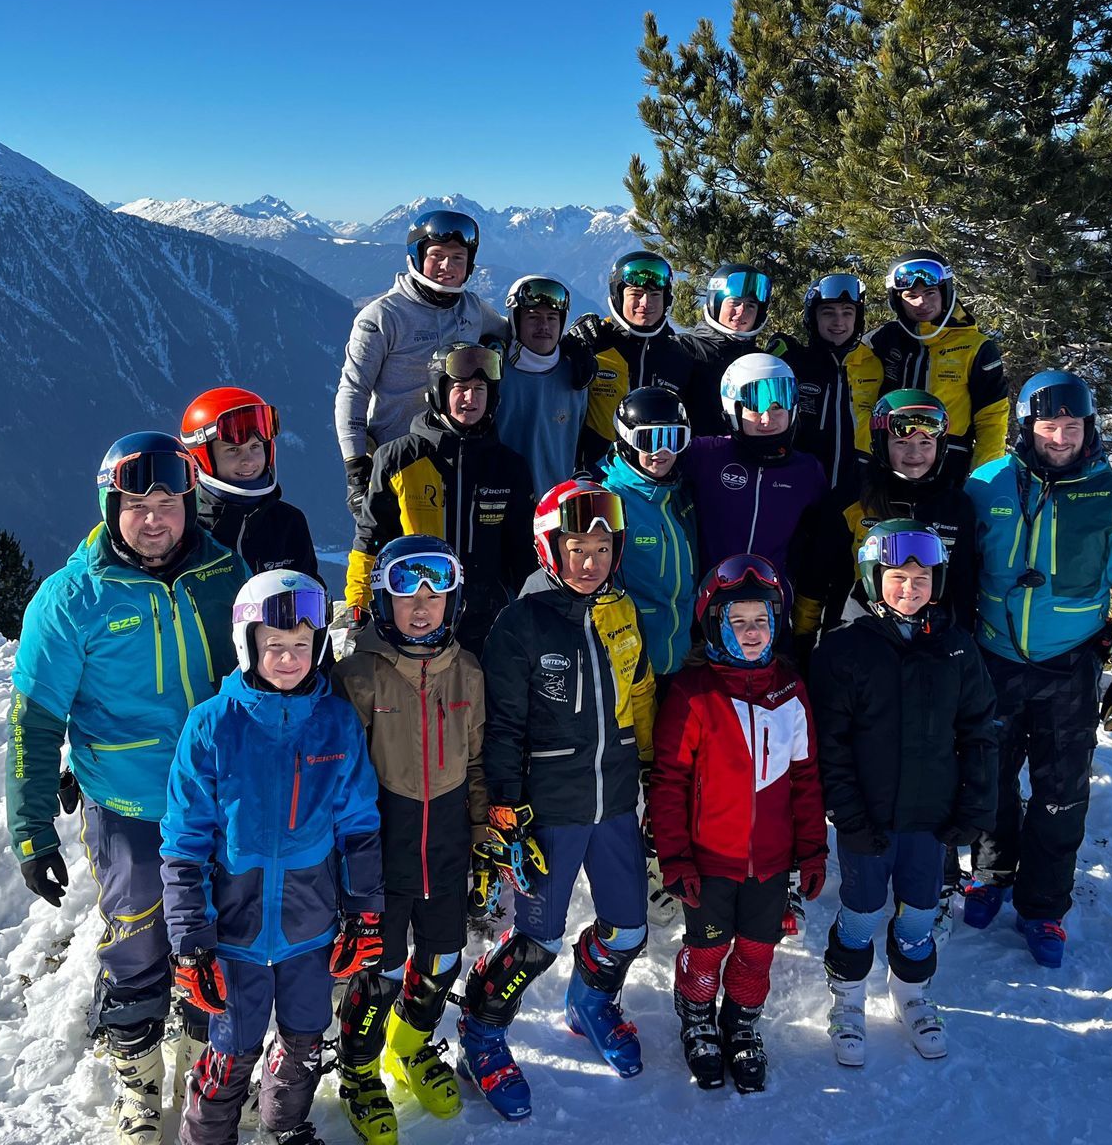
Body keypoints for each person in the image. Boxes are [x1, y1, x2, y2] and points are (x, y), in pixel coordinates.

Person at [6, 432, 245, 1143]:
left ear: (189, 505)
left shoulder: (225, 574)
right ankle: (138, 1090)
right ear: (110, 508)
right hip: (129, 806)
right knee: (138, 943)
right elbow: (34, 721)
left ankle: (205, 1072)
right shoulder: (71, 599)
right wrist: (31, 830)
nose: (153, 520)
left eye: (167, 504)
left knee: (219, 940)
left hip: (221, 800)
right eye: (137, 505)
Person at [161, 571, 385, 1145]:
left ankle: (284, 1125)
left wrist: (365, 914)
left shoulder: (335, 723)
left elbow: (359, 825)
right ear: (248, 644)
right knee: (231, 1047)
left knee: (305, 1037)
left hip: (310, 927)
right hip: (234, 933)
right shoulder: (212, 726)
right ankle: (208, 1137)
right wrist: (190, 940)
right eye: (275, 645)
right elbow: (184, 843)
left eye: (302, 645)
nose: (288, 659)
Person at [456, 480, 655, 1121]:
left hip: (615, 801)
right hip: (551, 811)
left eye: (602, 548)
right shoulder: (521, 623)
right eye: (577, 548)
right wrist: (503, 809)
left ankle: (590, 1002)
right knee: (537, 939)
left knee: (629, 927)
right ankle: (482, 1033)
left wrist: (652, 769)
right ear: (549, 548)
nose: (591, 562)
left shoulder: (621, 610)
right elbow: (503, 728)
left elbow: (640, 694)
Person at [963, 370, 1112, 968]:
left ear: (1088, 428)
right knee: (991, 778)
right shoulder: (987, 484)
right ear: (1027, 427)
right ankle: (991, 874)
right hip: (993, 658)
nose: (1061, 437)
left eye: (1072, 426)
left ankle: (1044, 907)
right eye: (1049, 425)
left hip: (1069, 666)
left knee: (1061, 792)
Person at [809, 522, 997, 1067]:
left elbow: (979, 732)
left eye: (921, 578)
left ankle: (911, 992)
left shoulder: (956, 648)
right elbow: (830, 744)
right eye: (897, 577)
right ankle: (847, 999)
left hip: (929, 817)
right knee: (861, 911)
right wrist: (846, 814)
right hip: (867, 815)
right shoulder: (845, 649)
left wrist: (975, 806)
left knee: (920, 911)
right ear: (873, 579)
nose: (910, 589)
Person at [648, 555, 827, 1094]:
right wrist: (675, 857)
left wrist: (812, 850)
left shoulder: (790, 692)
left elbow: (805, 778)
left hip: (770, 862)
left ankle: (741, 1024)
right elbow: (668, 783)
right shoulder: (692, 694)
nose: (752, 633)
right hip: (709, 860)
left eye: (762, 621)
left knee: (756, 950)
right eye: (738, 621)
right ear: (714, 625)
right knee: (707, 950)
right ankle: (697, 1016)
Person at [333, 538, 488, 1144]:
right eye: (406, 594)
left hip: (446, 847)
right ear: (382, 600)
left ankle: (409, 1043)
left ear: (453, 599)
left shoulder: (467, 671)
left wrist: (483, 838)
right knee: (381, 969)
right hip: (383, 852)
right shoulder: (359, 677)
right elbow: (338, 777)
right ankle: (358, 1069)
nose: (421, 608)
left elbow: (476, 764)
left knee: (443, 957)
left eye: (435, 593)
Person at [344, 341, 535, 652]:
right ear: (438, 391)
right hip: (413, 620)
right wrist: (358, 613)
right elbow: (370, 541)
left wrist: (534, 615)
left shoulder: (508, 468)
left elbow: (524, 554)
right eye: (461, 388)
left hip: (487, 627)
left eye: (480, 389)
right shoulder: (398, 459)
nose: (471, 398)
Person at [336, 208, 509, 515]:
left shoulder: (472, 309)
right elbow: (353, 390)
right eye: (437, 255)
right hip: (397, 463)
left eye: (457, 257)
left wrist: (573, 344)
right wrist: (356, 468)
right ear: (416, 257)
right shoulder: (383, 316)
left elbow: (515, 335)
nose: (447, 266)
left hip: (458, 461)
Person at [805, 390, 980, 638]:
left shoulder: (956, 506)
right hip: (857, 635)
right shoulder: (852, 500)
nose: (914, 454)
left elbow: (963, 585)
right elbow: (816, 578)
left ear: (940, 446)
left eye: (925, 443)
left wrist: (961, 643)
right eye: (901, 443)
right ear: (881, 444)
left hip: (931, 640)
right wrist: (803, 638)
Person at [852, 252, 1009, 484]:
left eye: (930, 293)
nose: (921, 303)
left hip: (950, 466)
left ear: (945, 292)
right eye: (911, 296)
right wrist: (869, 459)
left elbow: (991, 420)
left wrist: (984, 477)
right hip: (889, 461)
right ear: (897, 299)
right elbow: (860, 404)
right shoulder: (879, 343)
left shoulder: (976, 348)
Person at [679, 353, 830, 585]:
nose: (767, 419)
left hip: (771, 601)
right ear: (734, 410)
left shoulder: (807, 471)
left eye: (777, 407)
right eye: (755, 408)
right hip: (705, 597)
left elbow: (818, 542)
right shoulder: (704, 455)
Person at [593, 386, 699, 679]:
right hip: (630, 666)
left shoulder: (679, 494)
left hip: (679, 658)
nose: (661, 452)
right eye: (648, 440)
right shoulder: (609, 499)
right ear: (626, 440)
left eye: (673, 439)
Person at [569, 250, 695, 468]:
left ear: (666, 299)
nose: (646, 303)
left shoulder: (680, 356)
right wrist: (570, 343)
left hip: (658, 476)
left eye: (655, 295)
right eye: (636, 294)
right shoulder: (593, 343)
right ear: (618, 297)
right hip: (598, 474)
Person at [181, 387, 319, 577]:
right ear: (202, 458)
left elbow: (310, 588)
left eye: (255, 446)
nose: (249, 461)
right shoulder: (185, 527)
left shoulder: (288, 522)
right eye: (233, 450)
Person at [771, 272, 881, 492]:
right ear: (813, 317)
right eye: (828, 312)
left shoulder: (875, 364)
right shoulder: (794, 362)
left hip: (859, 489)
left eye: (847, 313)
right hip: (798, 486)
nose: (838, 321)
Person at [489, 275, 595, 498]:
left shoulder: (577, 376)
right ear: (515, 319)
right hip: (500, 504)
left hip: (556, 507)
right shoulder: (493, 373)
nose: (544, 326)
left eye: (552, 318)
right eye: (533, 317)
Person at [681, 263, 776, 437]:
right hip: (695, 451)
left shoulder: (762, 362)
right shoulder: (684, 349)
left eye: (751, 306)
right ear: (716, 305)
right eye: (734, 302)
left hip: (746, 453)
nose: (741, 311)